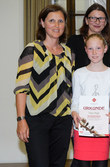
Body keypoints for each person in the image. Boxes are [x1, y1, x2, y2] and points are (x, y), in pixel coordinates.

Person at [14, 5, 75, 167]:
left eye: (60, 21)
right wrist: (21, 119)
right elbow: (21, 87)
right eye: (52, 20)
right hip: (36, 119)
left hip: (63, 120)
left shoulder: (69, 53)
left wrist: (71, 123)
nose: (56, 25)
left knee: (58, 164)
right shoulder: (32, 50)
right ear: (42, 23)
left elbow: (70, 90)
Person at [70, 33, 110, 167]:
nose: (94, 52)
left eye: (98, 48)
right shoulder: (78, 73)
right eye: (90, 49)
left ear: (105, 49)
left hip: (103, 128)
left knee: (101, 164)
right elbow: (75, 100)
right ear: (85, 50)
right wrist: (74, 113)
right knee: (82, 164)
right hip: (82, 128)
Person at [66, 3, 110, 70]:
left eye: (101, 18)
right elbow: (67, 68)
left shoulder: (108, 46)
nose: (97, 22)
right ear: (86, 21)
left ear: (106, 22)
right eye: (93, 18)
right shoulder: (74, 41)